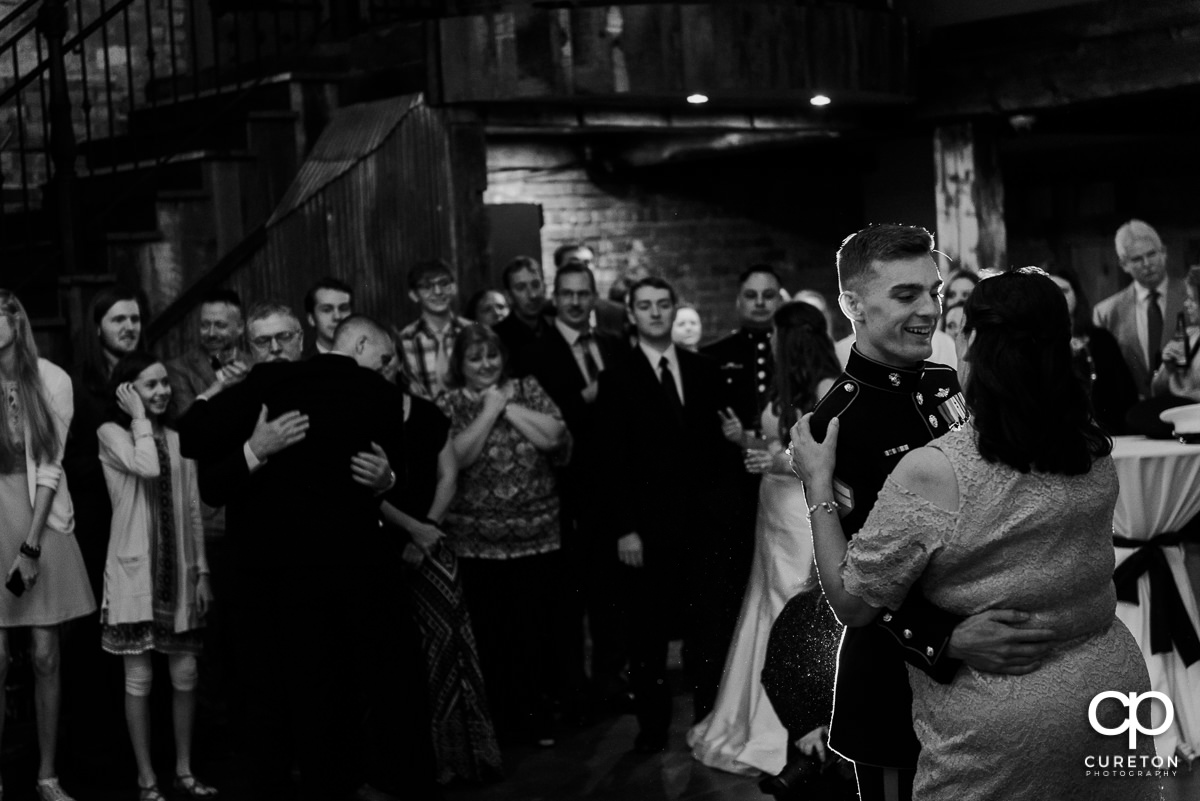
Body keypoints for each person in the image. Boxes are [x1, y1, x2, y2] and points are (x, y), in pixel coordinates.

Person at [791, 267, 1157, 800]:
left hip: (1003, 722)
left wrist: (816, 484)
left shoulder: (940, 468)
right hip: (1113, 695)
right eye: (908, 293)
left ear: (979, 344)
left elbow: (853, 599)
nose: (933, 314)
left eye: (944, 305)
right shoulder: (1093, 447)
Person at [760, 224, 1058, 801]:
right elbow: (856, 581)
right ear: (852, 304)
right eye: (906, 295)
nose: (930, 309)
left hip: (985, 685)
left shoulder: (947, 383)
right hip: (899, 685)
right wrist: (946, 640)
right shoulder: (836, 425)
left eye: (935, 291)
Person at [178, 315, 425, 801]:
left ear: (305, 339)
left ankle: (335, 780)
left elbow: (390, 467)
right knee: (271, 693)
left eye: (283, 338)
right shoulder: (254, 391)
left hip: (330, 574)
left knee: (330, 689)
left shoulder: (352, 388)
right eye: (263, 341)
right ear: (249, 347)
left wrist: (387, 480)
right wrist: (254, 449)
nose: (274, 348)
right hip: (261, 575)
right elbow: (206, 475)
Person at [688, 301, 841, 776]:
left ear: (789, 338)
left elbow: (827, 457)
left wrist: (772, 460)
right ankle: (752, 717)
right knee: (764, 600)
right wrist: (751, 445)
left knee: (792, 602)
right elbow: (779, 446)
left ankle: (794, 723)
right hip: (773, 506)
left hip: (800, 510)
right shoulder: (787, 382)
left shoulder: (826, 387)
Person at [597, 277, 741, 754]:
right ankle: (653, 728)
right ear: (632, 315)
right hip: (647, 528)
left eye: (663, 305)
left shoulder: (703, 368)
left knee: (706, 630)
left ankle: (707, 720)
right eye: (645, 306)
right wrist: (625, 529)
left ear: (673, 309)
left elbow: (720, 451)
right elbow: (610, 461)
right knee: (649, 634)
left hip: (701, 526)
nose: (656, 313)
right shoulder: (616, 374)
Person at [437, 323, 569, 747]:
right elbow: (457, 457)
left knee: (536, 632)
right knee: (493, 637)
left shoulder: (526, 387)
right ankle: (502, 724)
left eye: (491, 356)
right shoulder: (452, 401)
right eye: (474, 358)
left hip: (537, 534)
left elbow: (554, 436)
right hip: (478, 542)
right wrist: (490, 410)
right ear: (460, 363)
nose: (485, 365)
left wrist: (506, 404)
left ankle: (538, 719)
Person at [378, 330, 502, 784]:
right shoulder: (356, 418)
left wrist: (426, 529)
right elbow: (361, 490)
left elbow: (449, 475)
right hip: (383, 541)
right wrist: (410, 529)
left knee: (448, 650)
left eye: (390, 359)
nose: (385, 367)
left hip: (432, 539)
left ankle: (458, 757)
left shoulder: (428, 413)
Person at [98, 353, 216, 801]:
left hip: (180, 575)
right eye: (151, 385)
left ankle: (184, 771)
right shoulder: (111, 433)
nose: (163, 391)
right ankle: (147, 778)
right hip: (134, 577)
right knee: (139, 680)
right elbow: (145, 465)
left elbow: (191, 509)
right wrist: (139, 419)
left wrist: (203, 571)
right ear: (127, 391)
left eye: (165, 383)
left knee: (185, 674)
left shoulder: (179, 438)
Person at [0, 289, 96, 801]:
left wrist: (31, 546)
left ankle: (47, 775)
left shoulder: (51, 379)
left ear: (15, 319)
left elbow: (50, 464)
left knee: (44, 655)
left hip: (39, 513)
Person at [524, 262, 627, 723]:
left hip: (612, 488)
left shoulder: (611, 344)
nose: (574, 301)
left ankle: (609, 684)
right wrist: (589, 396)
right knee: (569, 602)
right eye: (566, 293)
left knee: (611, 598)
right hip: (563, 488)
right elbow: (548, 417)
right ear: (555, 296)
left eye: (583, 293)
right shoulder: (536, 350)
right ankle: (575, 694)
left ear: (593, 296)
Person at [696, 264, 785, 720]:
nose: (759, 303)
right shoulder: (713, 357)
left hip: (784, 490)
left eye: (768, 295)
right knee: (730, 594)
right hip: (732, 492)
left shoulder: (794, 354)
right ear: (738, 300)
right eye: (750, 295)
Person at [1093, 219, 1187, 398]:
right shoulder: (1106, 312)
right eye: (1137, 259)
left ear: (1164, 252)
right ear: (1123, 264)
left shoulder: (1193, 298)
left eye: (1151, 254)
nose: (1146, 264)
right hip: (1135, 414)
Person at [1044, 266, 1137, 434]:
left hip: (1108, 432)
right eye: (1051, 292)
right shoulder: (1034, 343)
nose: (1058, 298)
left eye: (1064, 291)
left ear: (1076, 295)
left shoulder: (1101, 339)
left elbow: (1125, 393)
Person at [398, 259, 472, 400]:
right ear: (413, 295)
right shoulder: (405, 340)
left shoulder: (472, 332)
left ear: (454, 287)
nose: (438, 292)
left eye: (444, 284)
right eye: (427, 287)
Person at [493, 255, 552, 375]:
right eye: (521, 288)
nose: (532, 295)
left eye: (536, 285)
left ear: (544, 287)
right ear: (509, 296)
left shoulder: (555, 328)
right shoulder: (497, 338)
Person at [1150, 264, 1200, 401]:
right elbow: (1156, 391)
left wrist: (1176, 388)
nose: (1186, 304)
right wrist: (1168, 368)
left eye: (1192, 298)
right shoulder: (1189, 335)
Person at [302, 276, 353, 357]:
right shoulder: (301, 365)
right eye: (327, 310)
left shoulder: (369, 362)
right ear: (311, 319)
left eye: (343, 309)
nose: (337, 317)